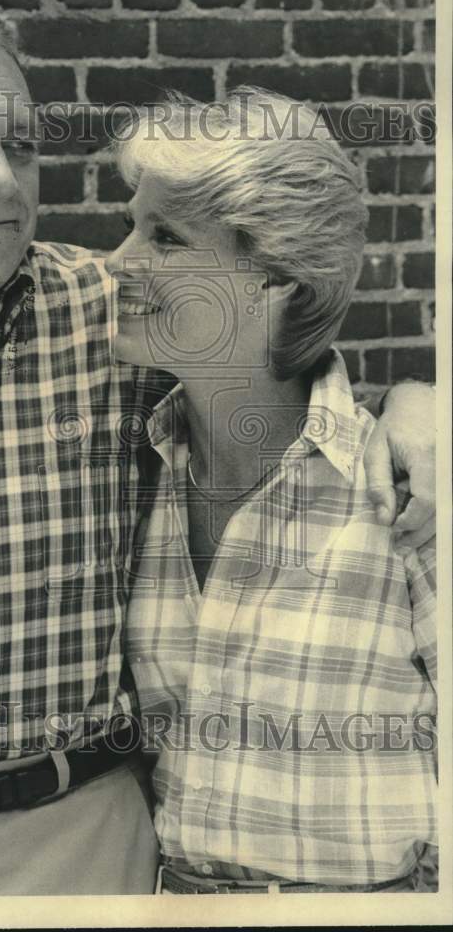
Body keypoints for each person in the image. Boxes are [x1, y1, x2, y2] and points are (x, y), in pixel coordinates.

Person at [0, 11, 435, 899]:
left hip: (79, 851)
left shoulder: (107, 320)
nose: (1, 180)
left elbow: (270, 365)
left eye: (22, 146)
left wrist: (417, 411)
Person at [105, 88, 437, 894]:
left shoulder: (407, 491)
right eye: (132, 223)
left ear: (275, 282)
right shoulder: (134, 469)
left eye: (167, 238)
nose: (117, 260)